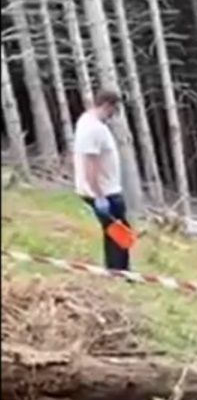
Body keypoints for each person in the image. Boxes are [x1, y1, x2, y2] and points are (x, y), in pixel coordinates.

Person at [73, 88, 128, 271]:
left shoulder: (87, 120)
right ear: (107, 105)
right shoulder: (94, 128)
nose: (114, 114)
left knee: (114, 230)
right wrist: (98, 195)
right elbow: (91, 164)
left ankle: (116, 269)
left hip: (104, 188)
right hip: (104, 191)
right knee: (118, 232)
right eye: (114, 109)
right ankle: (118, 272)